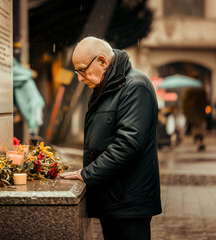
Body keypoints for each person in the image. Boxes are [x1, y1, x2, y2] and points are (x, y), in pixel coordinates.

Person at [60, 36, 162, 240]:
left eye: (82, 70)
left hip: (129, 204)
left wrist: (88, 174)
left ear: (102, 61)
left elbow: (128, 144)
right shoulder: (110, 85)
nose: (80, 78)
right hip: (115, 200)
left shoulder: (135, 86)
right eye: (77, 72)